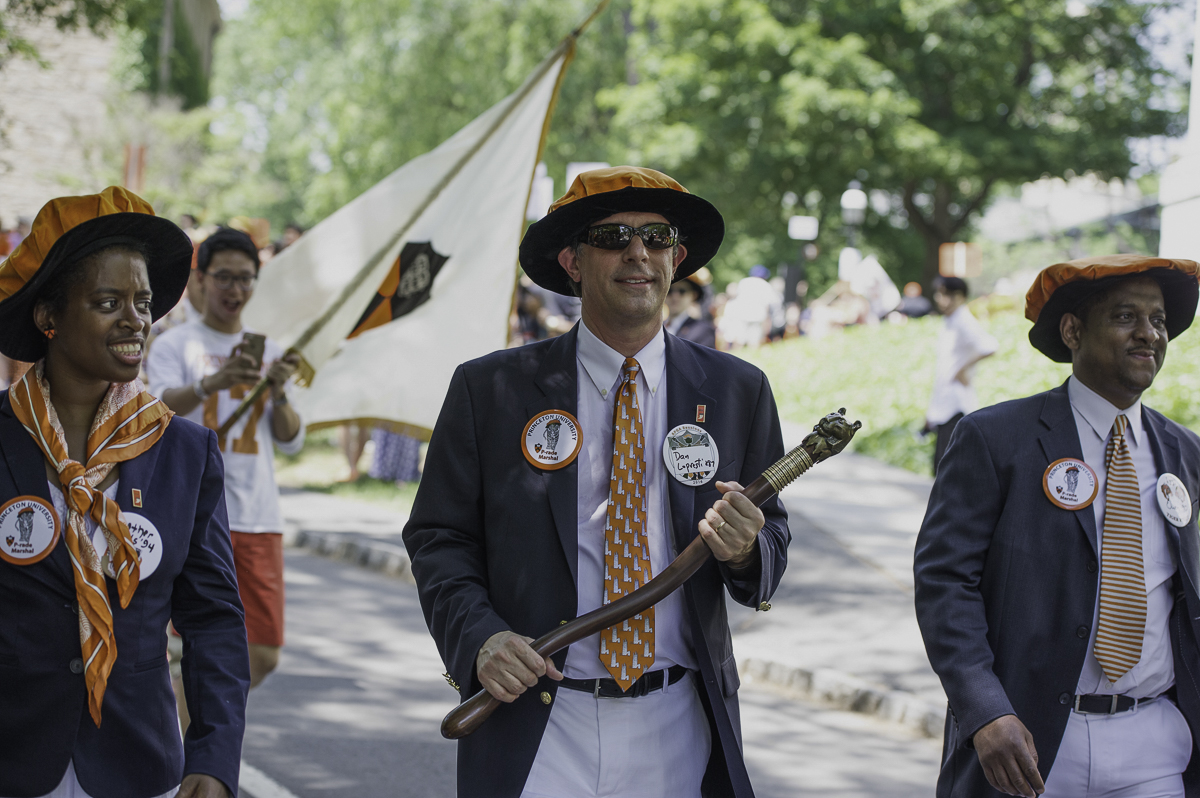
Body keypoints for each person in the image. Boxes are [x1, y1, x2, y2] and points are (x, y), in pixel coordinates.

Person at [404, 166, 790, 798]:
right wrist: (480, 639)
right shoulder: (489, 389)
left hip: (681, 722)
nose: (638, 253)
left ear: (678, 258)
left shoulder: (737, 390)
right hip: (540, 723)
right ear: (573, 261)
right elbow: (439, 536)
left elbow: (771, 540)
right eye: (613, 236)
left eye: (657, 237)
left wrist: (747, 548)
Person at [914, 255, 1200, 798]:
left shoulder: (1183, 453)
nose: (1149, 334)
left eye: (1159, 320)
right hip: (1031, 743)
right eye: (1125, 317)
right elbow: (944, 584)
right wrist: (985, 710)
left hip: (1155, 742)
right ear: (1072, 331)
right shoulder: (995, 439)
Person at [0, 186, 249, 797]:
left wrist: (213, 758)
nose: (135, 319)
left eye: (142, 302)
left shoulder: (186, 452)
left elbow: (213, 619)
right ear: (49, 318)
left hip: (138, 764)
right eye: (108, 301)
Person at [147, 227, 303, 692]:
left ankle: (194, 730)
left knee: (264, 651)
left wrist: (277, 392)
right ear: (201, 279)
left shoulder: (270, 351)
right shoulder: (175, 345)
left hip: (257, 516)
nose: (235, 289)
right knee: (190, 644)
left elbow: (292, 440)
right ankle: (194, 752)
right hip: (193, 513)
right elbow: (154, 413)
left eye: (245, 278)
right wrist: (212, 383)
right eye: (224, 277)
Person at [926, 276, 998, 473]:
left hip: (956, 404)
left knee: (948, 468)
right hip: (946, 402)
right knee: (943, 467)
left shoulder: (963, 320)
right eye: (939, 294)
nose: (940, 299)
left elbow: (989, 346)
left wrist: (963, 369)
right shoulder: (950, 320)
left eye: (946, 294)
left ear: (959, 297)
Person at [665, 267, 717, 348]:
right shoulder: (655, 328)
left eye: (682, 291)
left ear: (693, 296)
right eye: (669, 291)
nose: (675, 296)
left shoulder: (703, 330)